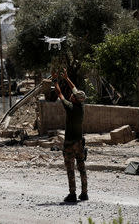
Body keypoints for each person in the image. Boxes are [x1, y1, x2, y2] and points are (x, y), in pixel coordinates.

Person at [52, 68, 88, 203]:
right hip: (79, 143)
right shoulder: (81, 106)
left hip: (70, 144)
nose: (72, 95)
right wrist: (67, 78)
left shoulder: (70, 107)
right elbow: (74, 89)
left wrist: (55, 80)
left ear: (75, 99)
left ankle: (72, 194)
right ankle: (84, 193)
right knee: (82, 167)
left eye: (73, 96)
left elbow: (59, 93)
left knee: (70, 169)